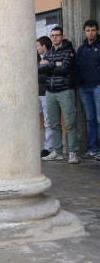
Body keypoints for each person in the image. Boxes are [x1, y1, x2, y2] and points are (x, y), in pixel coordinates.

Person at [38, 26, 79, 164]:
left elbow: (65, 69)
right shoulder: (49, 52)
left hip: (65, 91)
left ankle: (73, 152)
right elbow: (40, 69)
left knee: (70, 124)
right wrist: (55, 63)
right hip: (50, 92)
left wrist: (49, 64)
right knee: (54, 124)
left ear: (62, 36)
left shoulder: (69, 51)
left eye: (57, 35)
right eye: (52, 35)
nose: (54, 37)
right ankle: (57, 151)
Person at [76, 19, 100, 160]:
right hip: (84, 89)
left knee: (99, 119)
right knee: (90, 120)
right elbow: (77, 68)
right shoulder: (81, 49)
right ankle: (93, 149)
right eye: (88, 30)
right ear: (84, 32)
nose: (90, 33)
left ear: (97, 31)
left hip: (97, 87)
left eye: (93, 30)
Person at [37, 36, 53, 157]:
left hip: (46, 93)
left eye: (38, 45)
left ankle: (48, 147)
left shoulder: (49, 58)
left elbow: (46, 76)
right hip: (36, 94)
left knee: (48, 122)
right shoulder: (38, 58)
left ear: (44, 46)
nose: (37, 48)